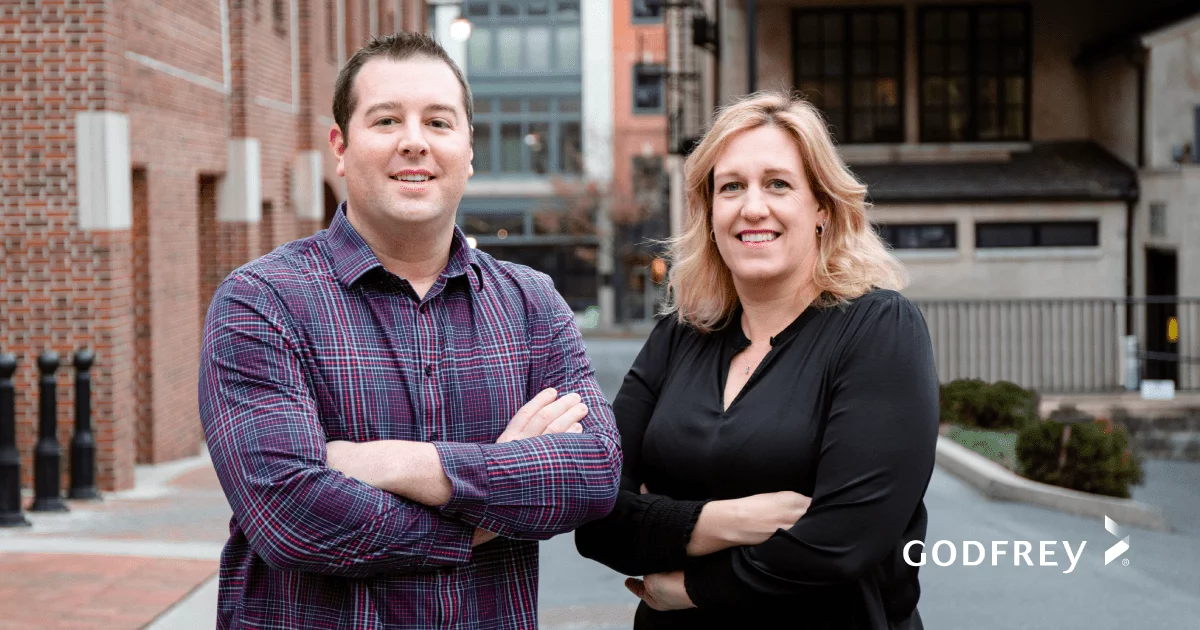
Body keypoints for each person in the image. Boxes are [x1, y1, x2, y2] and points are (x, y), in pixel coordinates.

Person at [198, 33, 622, 629]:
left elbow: (594, 472)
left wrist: (400, 464)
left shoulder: (532, 304)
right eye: (387, 119)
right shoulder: (262, 303)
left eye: (439, 122)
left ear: (469, 150)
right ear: (341, 148)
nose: (415, 142)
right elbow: (289, 514)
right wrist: (491, 506)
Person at [573, 91, 939, 629]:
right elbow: (597, 515)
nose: (752, 207)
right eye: (731, 188)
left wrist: (694, 586)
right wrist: (732, 519)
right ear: (711, 213)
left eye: (778, 183)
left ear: (821, 206)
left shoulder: (879, 330)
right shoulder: (681, 335)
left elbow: (843, 542)